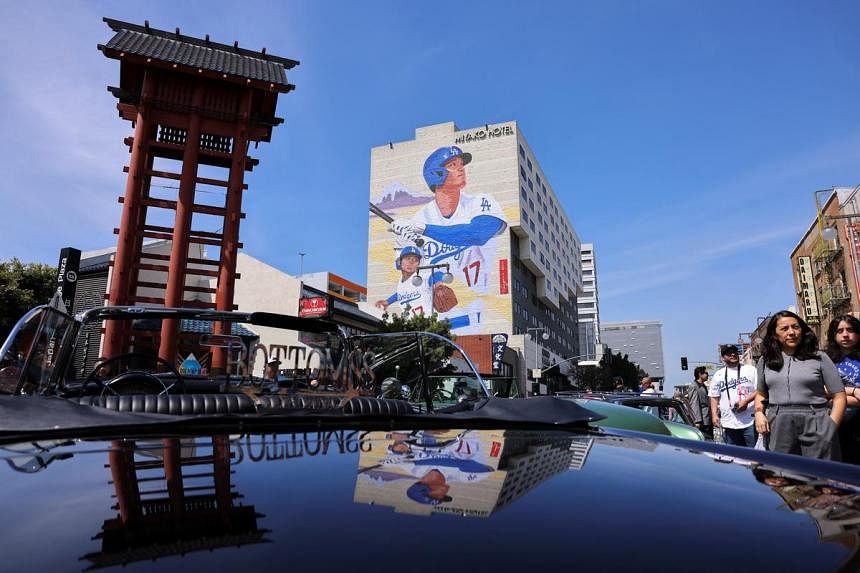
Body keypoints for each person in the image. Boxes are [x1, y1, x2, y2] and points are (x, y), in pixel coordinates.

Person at [389, 146, 507, 296]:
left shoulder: (481, 201)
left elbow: (478, 234)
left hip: (481, 301)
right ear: (436, 174)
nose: (461, 169)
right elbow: (404, 269)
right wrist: (402, 243)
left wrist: (423, 229)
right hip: (436, 309)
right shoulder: (419, 219)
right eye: (453, 165)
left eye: (461, 164)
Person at [754, 310, 846, 460]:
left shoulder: (819, 357)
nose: (791, 332)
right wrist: (758, 413)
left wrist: (830, 427)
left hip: (816, 420)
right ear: (774, 334)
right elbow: (761, 394)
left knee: (821, 476)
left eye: (795, 327)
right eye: (784, 329)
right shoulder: (765, 361)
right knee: (784, 474)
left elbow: (839, 396)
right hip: (779, 423)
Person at [375, 245, 469, 328]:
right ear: (400, 262)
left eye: (415, 260)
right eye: (408, 258)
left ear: (418, 264)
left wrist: (439, 285)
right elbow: (400, 293)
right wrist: (388, 301)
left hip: (430, 325)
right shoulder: (401, 283)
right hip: (412, 327)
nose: (411, 262)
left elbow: (436, 274)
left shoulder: (420, 278)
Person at [825, 314, 860, 464]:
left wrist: (836, 398)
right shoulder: (825, 359)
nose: (845, 334)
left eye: (850, 330)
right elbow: (821, 390)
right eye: (840, 331)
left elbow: (829, 393)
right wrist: (854, 392)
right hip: (834, 422)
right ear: (833, 335)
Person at [709, 344, 757, 447]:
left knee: (755, 456)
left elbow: (760, 390)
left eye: (735, 352)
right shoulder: (718, 375)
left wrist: (746, 401)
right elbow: (714, 396)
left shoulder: (751, 370)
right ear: (722, 358)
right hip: (729, 423)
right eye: (728, 353)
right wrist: (714, 414)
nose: (733, 354)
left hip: (750, 421)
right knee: (735, 458)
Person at [688, 366, 713, 439]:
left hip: (707, 419)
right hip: (702, 421)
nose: (707, 375)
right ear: (700, 374)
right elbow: (694, 403)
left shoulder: (703, 385)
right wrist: (697, 421)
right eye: (706, 373)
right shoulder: (694, 386)